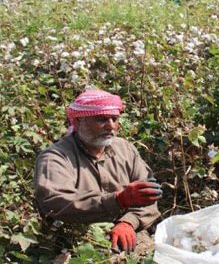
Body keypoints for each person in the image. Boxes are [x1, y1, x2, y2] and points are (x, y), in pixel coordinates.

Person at [34, 89, 162, 254]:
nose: (110, 125)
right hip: (79, 241)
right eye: (101, 119)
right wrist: (118, 200)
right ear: (78, 122)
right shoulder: (55, 158)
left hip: (130, 234)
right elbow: (57, 204)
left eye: (114, 119)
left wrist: (129, 222)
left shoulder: (125, 149)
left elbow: (149, 195)